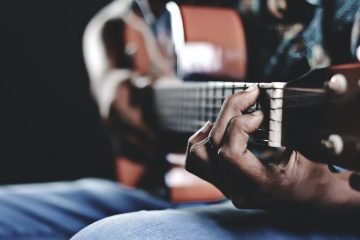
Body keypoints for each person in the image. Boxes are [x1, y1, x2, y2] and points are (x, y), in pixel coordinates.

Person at [72, 0, 360, 239]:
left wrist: (322, 189)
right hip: (174, 182)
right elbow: (112, 19)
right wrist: (109, 76)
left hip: (319, 213)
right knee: (24, 216)